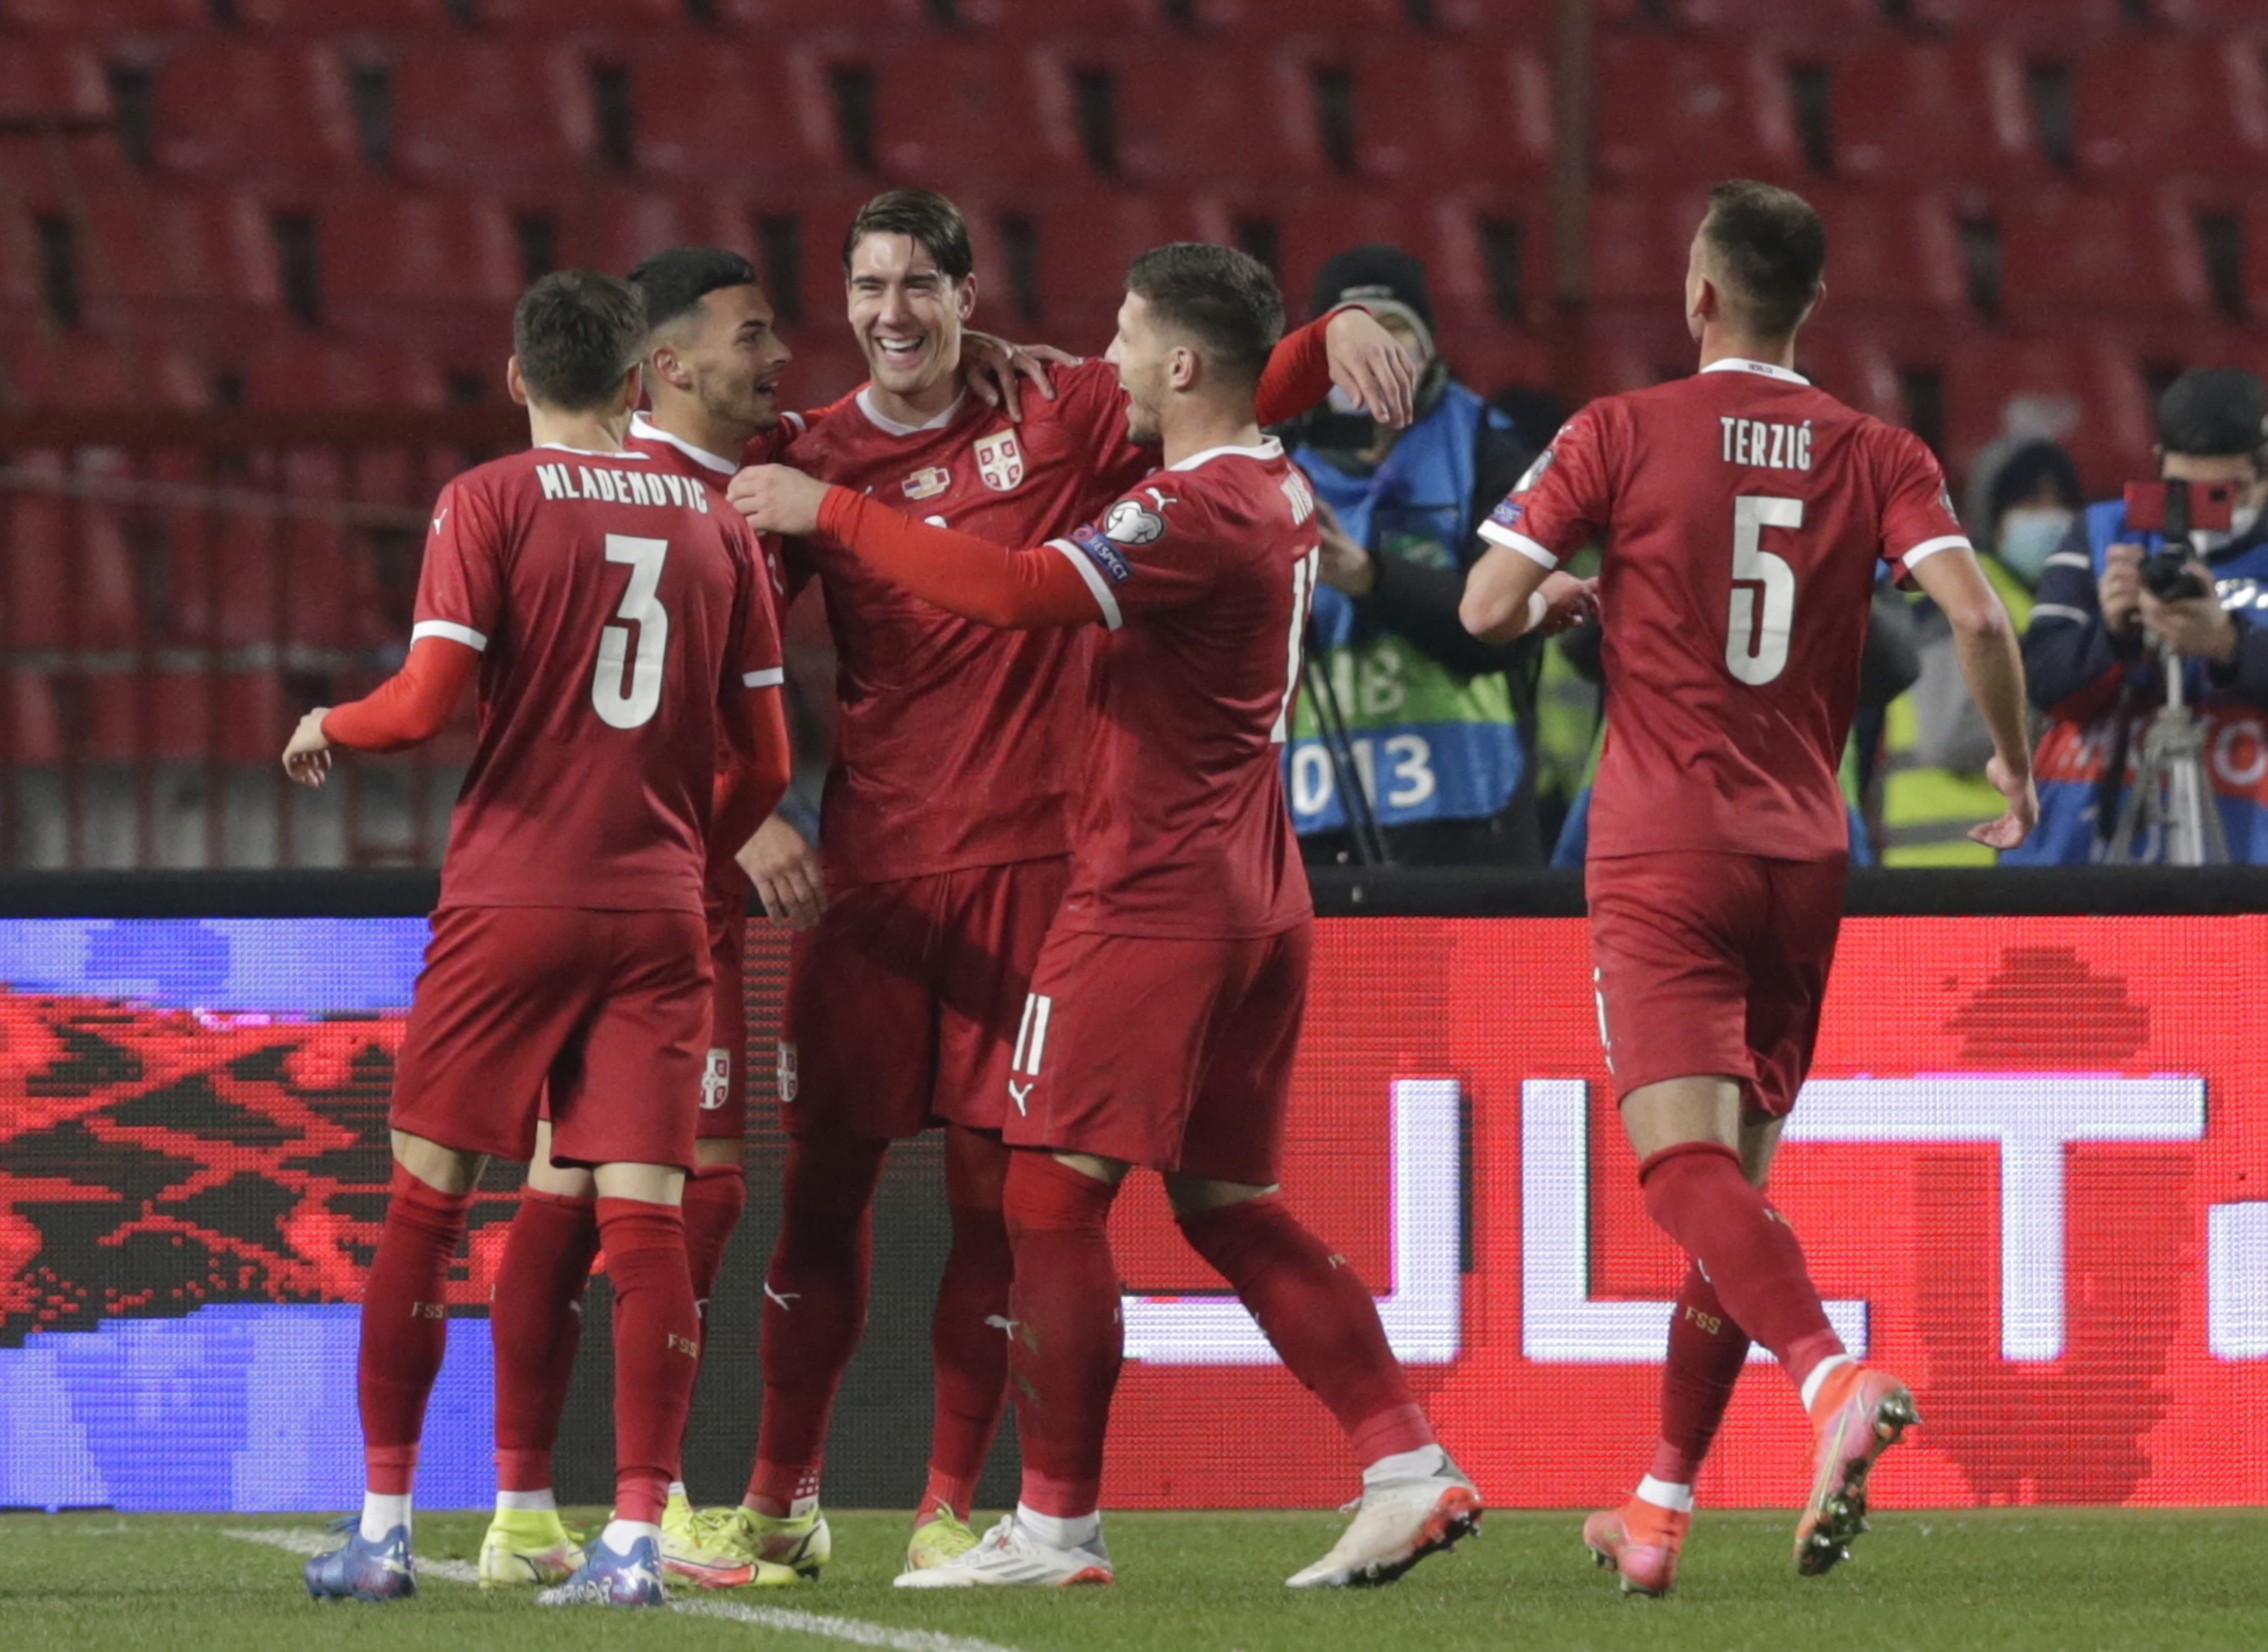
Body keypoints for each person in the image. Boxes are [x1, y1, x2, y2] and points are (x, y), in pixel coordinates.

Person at [731, 242, 1576, 1591]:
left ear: (1180, 364)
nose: (1099, 361)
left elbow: (1012, 594)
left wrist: (828, 513)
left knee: (1046, 1200)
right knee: (1233, 1206)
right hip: (1257, 895)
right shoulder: (1276, 486)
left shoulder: (1189, 511)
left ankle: (1056, 1525)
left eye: (1123, 337)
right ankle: (1404, 1463)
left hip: (1152, 903)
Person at [1459, 181, 2037, 1594]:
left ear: (1699, 294)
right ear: (1810, 307)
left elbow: (1477, 609)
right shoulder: (1877, 447)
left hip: (1662, 843)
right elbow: (1971, 612)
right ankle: (1657, 1509)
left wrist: (1548, 602)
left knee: (1678, 1172)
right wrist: (2017, 777)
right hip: (1802, 849)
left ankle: (1828, 1378)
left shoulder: (1619, 429)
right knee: (1736, 1202)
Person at [287, 270, 793, 1609]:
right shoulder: (710, 520)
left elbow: (420, 705)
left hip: (513, 898)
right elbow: (768, 759)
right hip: (657, 907)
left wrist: (326, 726)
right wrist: (687, 842)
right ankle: (634, 1541)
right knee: (647, 1222)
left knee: (426, 1200)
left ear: (516, 378)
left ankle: (385, 1530)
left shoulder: (488, 501)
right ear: (637, 382)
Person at [474, 247, 800, 1592]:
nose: (776, 363)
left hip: (617, 880)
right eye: (751, 337)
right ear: (655, 366)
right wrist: (727, 823)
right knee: (662, 1188)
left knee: (582, 1181)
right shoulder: (661, 502)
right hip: (654, 888)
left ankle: (526, 1509)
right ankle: (623, 1509)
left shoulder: (771, 472)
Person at [1281, 246, 1545, 864]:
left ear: (1428, 345)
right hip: (1315, 822)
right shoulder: (1273, 457)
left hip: (1473, 819)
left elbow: (1508, 631)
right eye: (1355, 330)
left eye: (1394, 329)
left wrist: (1368, 577)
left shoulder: (1488, 447)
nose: (1374, 350)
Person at [2006, 367, 2268, 863]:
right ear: (2159, 462)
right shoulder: (2103, 533)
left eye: (2222, 494)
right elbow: (2039, 683)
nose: (2200, 513)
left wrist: (2231, 645)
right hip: (2090, 852)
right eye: (2182, 492)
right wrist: (2114, 637)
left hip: (2247, 860)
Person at [1877, 437, 2075, 864]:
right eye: (2029, 505)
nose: (2048, 517)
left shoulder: (2033, 601)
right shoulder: (1955, 600)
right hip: (1946, 864)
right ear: (1993, 517)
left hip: (2005, 860)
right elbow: (1948, 736)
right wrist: (2069, 705)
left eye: (2058, 504)